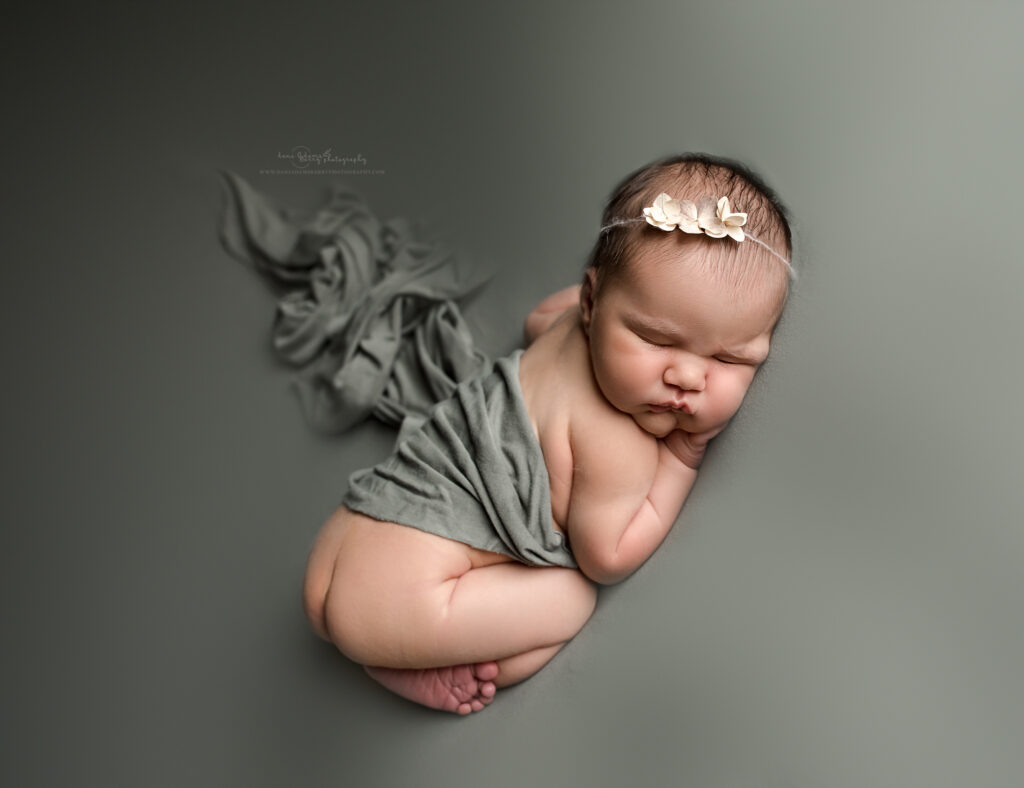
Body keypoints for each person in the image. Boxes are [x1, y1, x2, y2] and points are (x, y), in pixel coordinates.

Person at [301, 153, 795, 714]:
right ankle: (402, 661)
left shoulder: (565, 324)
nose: (686, 376)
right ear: (593, 303)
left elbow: (539, 315)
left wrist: (624, 291)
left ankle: (388, 646)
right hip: (401, 599)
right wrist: (682, 458)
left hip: (353, 531)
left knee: (343, 607)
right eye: (657, 340)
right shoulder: (619, 446)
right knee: (573, 599)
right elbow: (608, 557)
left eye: (730, 358)